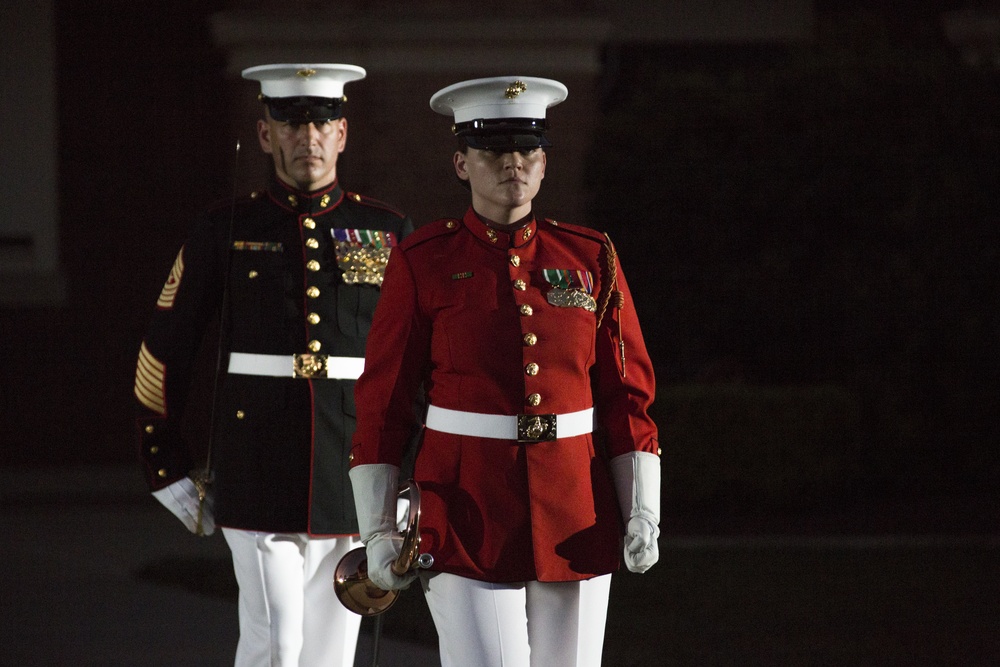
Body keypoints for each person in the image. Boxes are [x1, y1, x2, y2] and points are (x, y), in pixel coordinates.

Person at [348, 76, 661, 667]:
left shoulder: (591, 257)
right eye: (493, 152)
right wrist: (378, 527)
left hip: (577, 507)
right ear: (461, 163)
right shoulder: (424, 261)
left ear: (543, 165)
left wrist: (644, 509)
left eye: (527, 152)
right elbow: (385, 402)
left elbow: (627, 395)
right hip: (464, 511)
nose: (512, 164)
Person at [133, 63, 413, 666]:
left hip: (352, 473)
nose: (307, 138)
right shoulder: (224, 228)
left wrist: (411, 474)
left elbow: (413, 366)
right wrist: (164, 459)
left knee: (331, 653)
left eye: (322, 124)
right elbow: (166, 345)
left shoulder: (386, 231)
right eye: (290, 125)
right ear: (265, 135)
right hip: (255, 465)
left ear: (343, 134)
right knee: (276, 644)